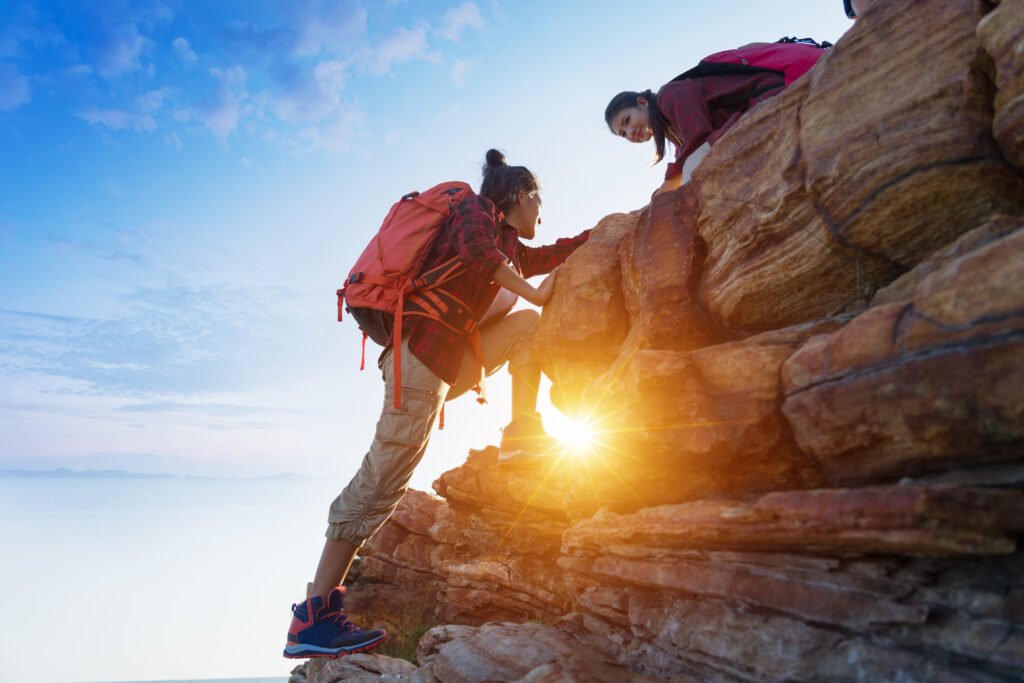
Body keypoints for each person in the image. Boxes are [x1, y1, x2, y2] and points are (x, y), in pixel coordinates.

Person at [283, 149, 590, 660]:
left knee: (529, 329)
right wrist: (534, 295)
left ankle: (523, 431)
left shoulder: (506, 239)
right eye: (540, 200)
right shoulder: (473, 211)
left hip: (446, 363)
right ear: (520, 195)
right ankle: (311, 619)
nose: (543, 212)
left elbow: (540, 257)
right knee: (382, 480)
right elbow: (477, 256)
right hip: (420, 358)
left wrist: (599, 235)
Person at [605, 42, 825, 196]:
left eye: (626, 121)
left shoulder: (669, 95)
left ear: (642, 103)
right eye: (623, 135)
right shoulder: (670, 129)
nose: (630, 133)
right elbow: (688, 152)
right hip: (753, 112)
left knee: (693, 170)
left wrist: (671, 183)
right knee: (690, 172)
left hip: (768, 95)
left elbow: (698, 139)